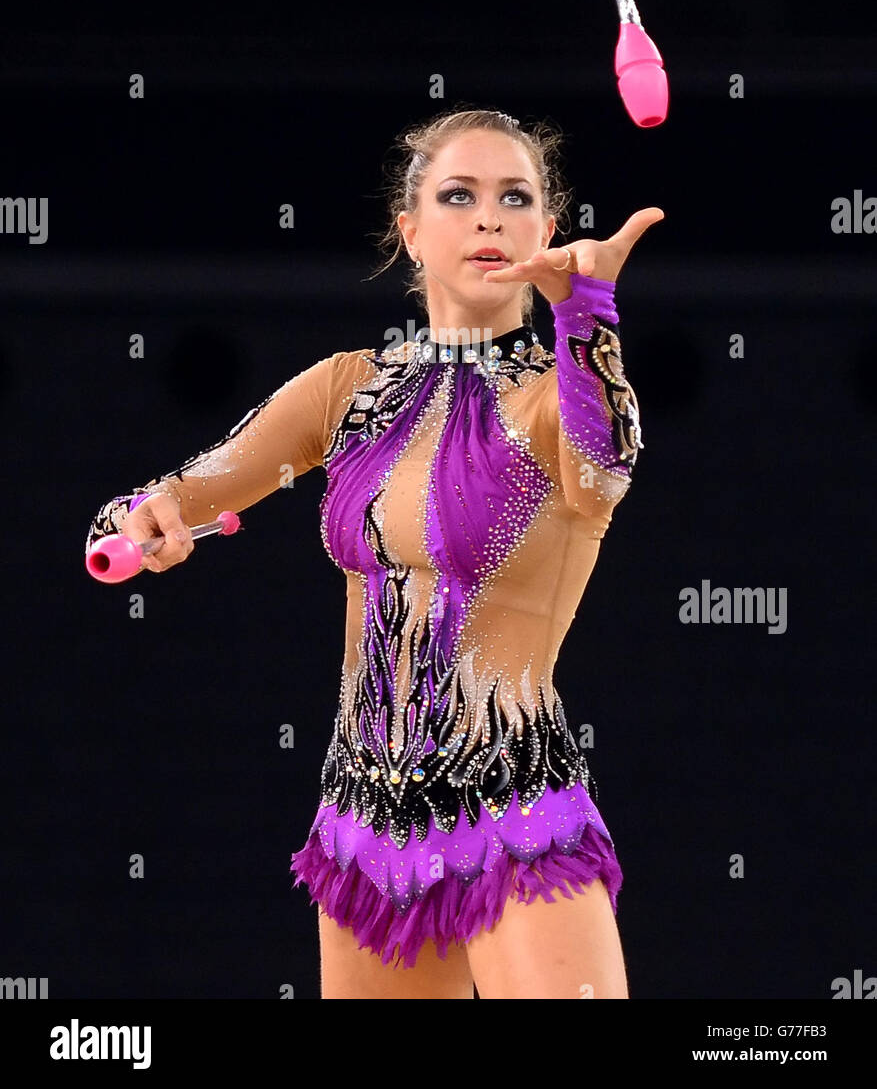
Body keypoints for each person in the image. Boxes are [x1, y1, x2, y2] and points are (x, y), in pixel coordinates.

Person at [84, 107, 663, 999]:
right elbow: (181, 491)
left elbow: (605, 471)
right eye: (457, 196)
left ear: (547, 230)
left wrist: (586, 310)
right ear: (410, 231)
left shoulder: (559, 397)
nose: (487, 219)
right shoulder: (346, 388)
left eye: (514, 198)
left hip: (508, 809)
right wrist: (142, 521)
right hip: (363, 824)